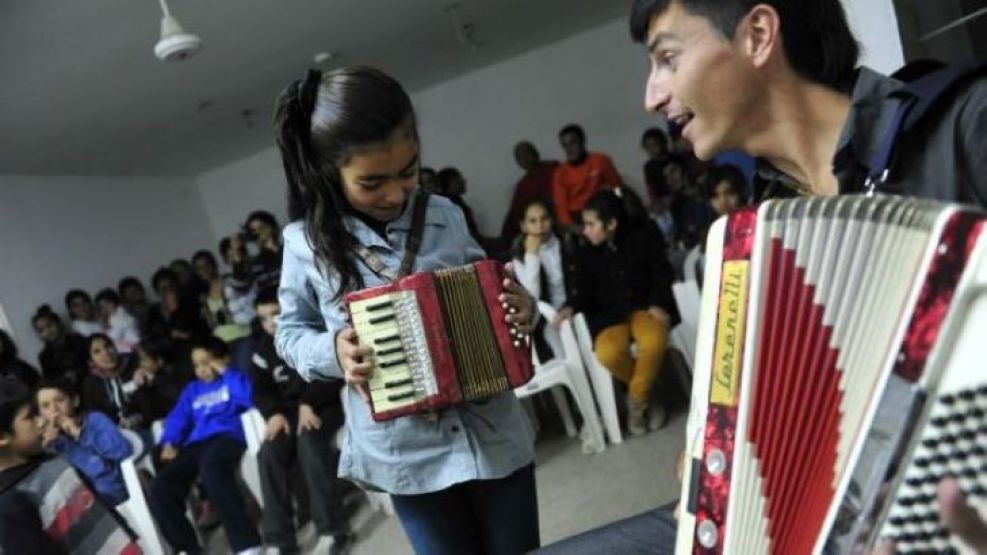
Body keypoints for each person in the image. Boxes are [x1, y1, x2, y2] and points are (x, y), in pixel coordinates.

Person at [540, 1, 987, 552]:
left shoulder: (967, 127)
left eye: (668, 59)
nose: (652, 97)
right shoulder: (760, 236)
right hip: (795, 521)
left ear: (756, 35)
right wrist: (709, 444)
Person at [273, 66, 539, 554]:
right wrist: (333, 350)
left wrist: (524, 307)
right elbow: (289, 333)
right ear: (329, 170)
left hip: (492, 434)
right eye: (372, 182)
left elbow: (493, 291)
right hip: (405, 456)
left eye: (408, 171)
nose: (396, 194)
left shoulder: (445, 214)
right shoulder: (303, 244)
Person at [557, 190, 679, 436]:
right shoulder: (584, 252)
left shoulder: (642, 236)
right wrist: (569, 307)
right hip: (608, 318)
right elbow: (582, 292)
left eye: (592, 224)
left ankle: (636, 400)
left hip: (645, 308)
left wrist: (657, 303)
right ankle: (646, 395)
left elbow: (660, 271)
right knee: (608, 353)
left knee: (654, 340)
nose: (586, 230)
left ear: (611, 223)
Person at [250, 288, 351, 554]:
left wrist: (309, 401)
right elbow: (261, 390)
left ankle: (332, 530)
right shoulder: (262, 351)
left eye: (275, 313)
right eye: (263, 318)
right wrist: (273, 413)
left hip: (326, 405)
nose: (270, 322)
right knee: (268, 453)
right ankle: (279, 540)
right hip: (288, 414)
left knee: (309, 441)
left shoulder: (314, 332)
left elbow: (333, 372)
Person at [148, 336, 261, 555]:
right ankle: (187, 549)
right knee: (160, 486)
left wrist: (225, 371)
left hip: (228, 436)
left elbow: (249, 398)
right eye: (196, 365)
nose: (202, 369)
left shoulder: (233, 379)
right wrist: (169, 441)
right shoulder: (192, 389)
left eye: (207, 362)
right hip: (197, 444)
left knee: (212, 471)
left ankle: (247, 544)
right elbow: (178, 417)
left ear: (222, 359)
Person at [0, 377, 139, 554]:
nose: (41, 421)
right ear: (2, 437)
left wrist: (130, 536)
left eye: (37, 413)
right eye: (30, 417)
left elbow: (100, 504)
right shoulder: (8, 501)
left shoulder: (52, 460)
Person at [37, 378, 132, 506]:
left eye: (59, 400)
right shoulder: (48, 439)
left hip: (110, 490)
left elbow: (123, 453)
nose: (54, 409)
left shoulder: (95, 420)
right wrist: (43, 449)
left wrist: (80, 433)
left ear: (75, 401)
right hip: (74, 500)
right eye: (45, 406)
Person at [551, 124, 624, 228]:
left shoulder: (600, 160)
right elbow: (561, 206)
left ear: (583, 141)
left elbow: (617, 186)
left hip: (601, 208)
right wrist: (571, 226)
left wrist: (621, 200)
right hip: (577, 215)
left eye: (573, 142)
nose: (569, 149)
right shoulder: (560, 173)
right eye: (565, 145)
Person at [500, 141, 559, 244]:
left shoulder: (553, 168)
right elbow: (515, 213)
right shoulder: (522, 185)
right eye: (520, 157)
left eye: (527, 154)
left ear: (535, 154)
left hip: (557, 222)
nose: (525, 159)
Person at [128, 337, 194, 428]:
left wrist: (156, 381)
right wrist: (142, 388)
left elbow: (182, 397)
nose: (140, 364)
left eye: (144, 359)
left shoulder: (184, 371)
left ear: (159, 361)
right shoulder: (150, 378)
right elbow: (149, 416)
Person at [81, 334, 140, 428]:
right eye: (97, 351)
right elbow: (94, 415)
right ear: (91, 361)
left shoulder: (134, 365)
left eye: (108, 346)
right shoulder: (91, 383)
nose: (106, 352)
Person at [32, 305, 90, 389]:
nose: (48, 331)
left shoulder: (78, 341)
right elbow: (50, 381)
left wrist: (77, 373)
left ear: (59, 323)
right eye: (41, 330)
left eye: (49, 325)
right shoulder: (44, 356)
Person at [241, 210, 284, 293]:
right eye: (254, 231)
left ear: (273, 228)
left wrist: (275, 248)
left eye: (262, 228)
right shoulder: (255, 264)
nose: (260, 233)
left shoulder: (289, 250)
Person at [95, 288, 141, 354]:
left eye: (107, 304)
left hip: (130, 352)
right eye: (102, 306)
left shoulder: (124, 318)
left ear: (115, 303)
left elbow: (113, 339)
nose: (105, 308)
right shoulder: (107, 319)